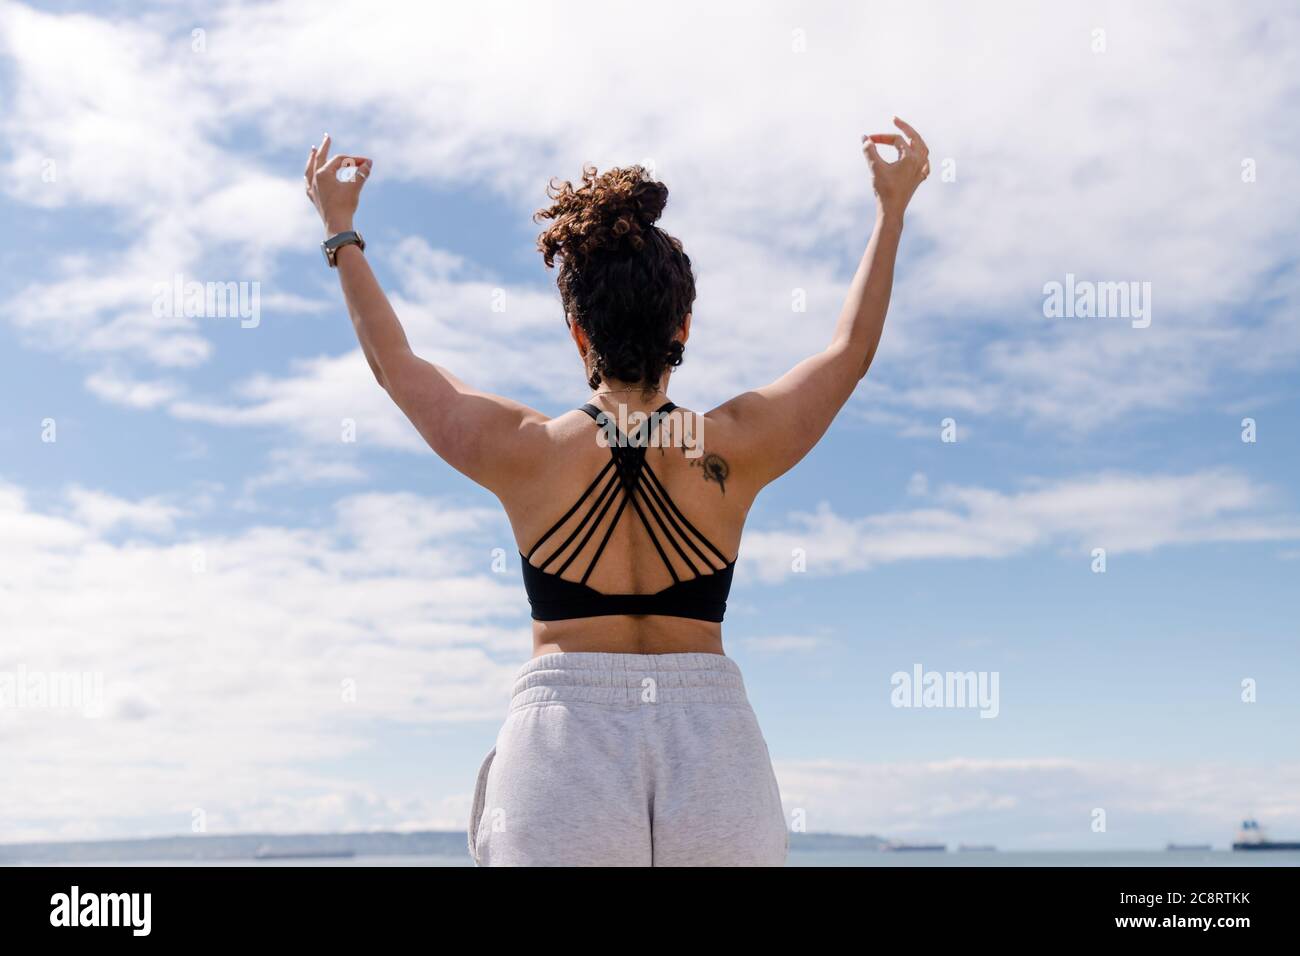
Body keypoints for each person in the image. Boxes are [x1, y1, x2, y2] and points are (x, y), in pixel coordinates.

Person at [302, 118, 930, 866]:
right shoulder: (730, 445)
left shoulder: (525, 451)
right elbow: (848, 353)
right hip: (713, 746)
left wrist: (342, 232)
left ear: (577, 332)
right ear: (684, 327)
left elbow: (396, 366)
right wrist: (892, 210)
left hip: (562, 747)